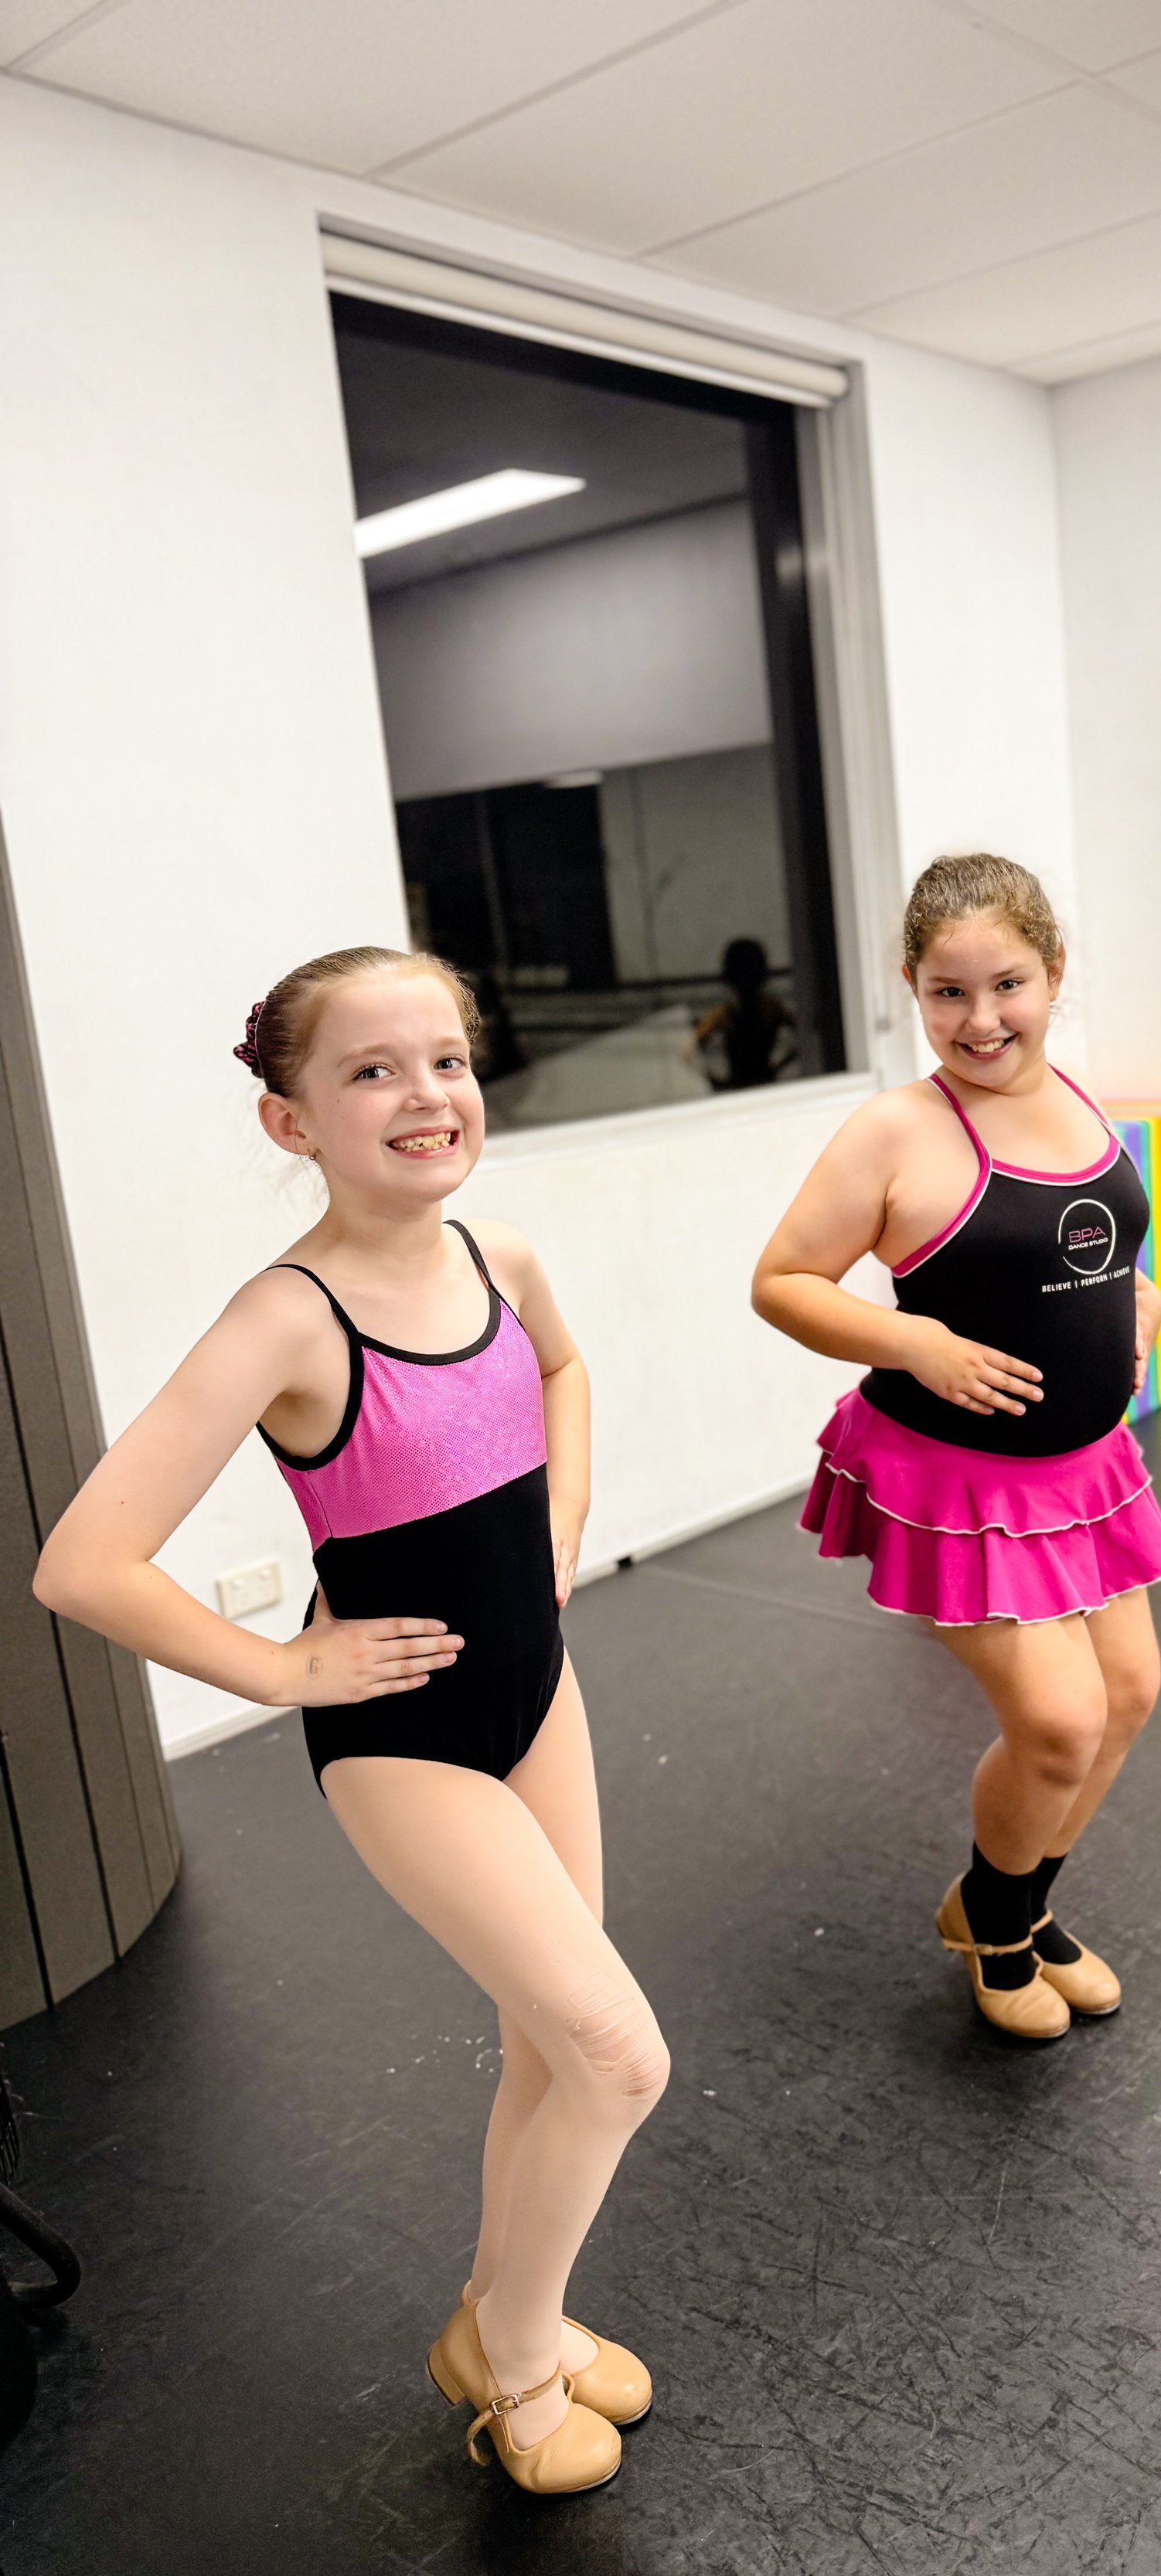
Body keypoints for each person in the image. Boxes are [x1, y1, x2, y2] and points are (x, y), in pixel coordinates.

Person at [32, 947, 666, 2498]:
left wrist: (561, 1530)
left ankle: (504, 2320)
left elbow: (565, 1374)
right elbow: (81, 1561)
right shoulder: (286, 1318)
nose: (426, 1094)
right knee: (614, 2052)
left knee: (546, 2042)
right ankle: (513, 2358)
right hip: (407, 1738)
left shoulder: (501, 1258)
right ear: (290, 1119)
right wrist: (278, 1671)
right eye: (372, 1069)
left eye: (445, 1059)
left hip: (536, 1693)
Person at [751, 854, 1161, 2042]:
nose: (981, 1020)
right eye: (948, 993)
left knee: (1130, 1693)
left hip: (1084, 1467)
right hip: (955, 1476)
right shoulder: (894, 1130)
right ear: (911, 988)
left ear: (1053, 976)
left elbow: (1100, 1248)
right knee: (1056, 1722)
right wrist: (919, 1342)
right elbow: (781, 1283)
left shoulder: (1081, 1099)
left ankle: (1013, 1902)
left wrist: (1134, 1312)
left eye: (1008, 985)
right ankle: (996, 1929)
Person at [687, 935, 797, 1091]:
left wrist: (717, 1081)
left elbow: (687, 1051)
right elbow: (806, 1035)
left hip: (747, 1087)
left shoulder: (728, 1013)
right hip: (760, 1085)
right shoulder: (769, 1009)